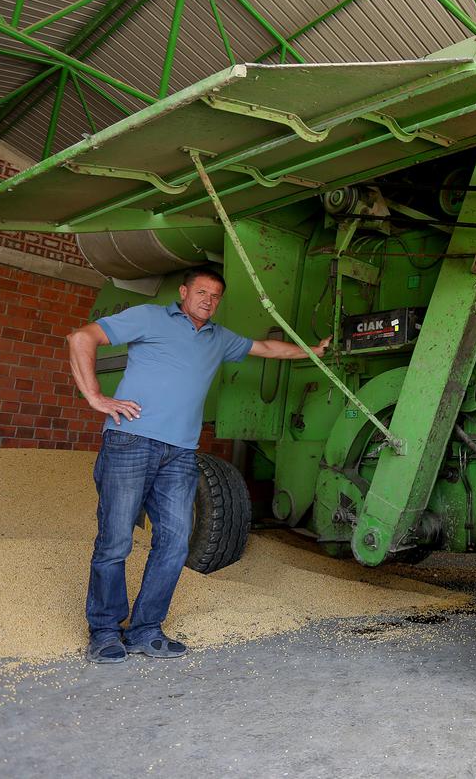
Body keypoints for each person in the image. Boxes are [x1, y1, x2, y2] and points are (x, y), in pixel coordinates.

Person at [67, 267, 328, 664]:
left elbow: (266, 349)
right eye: (202, 292)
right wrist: (97, 397)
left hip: (180, 454)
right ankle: (104, 632)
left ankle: (145, 630)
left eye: (216, 295)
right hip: (131, 442)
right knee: (116, 540)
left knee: (173, 543)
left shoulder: (218, 338)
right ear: (184, 292)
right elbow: (81, 337)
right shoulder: (150, 317)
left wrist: (313, 351)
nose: (208, 300)